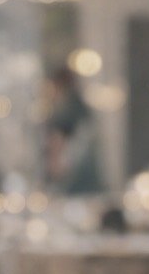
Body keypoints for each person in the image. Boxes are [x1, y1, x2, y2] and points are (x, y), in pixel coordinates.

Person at [43, 65, 104, 194]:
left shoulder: (67, 110)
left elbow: (58, 140)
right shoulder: (82, 108)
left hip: (73, 180)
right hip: (89, 178)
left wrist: (54, 166)